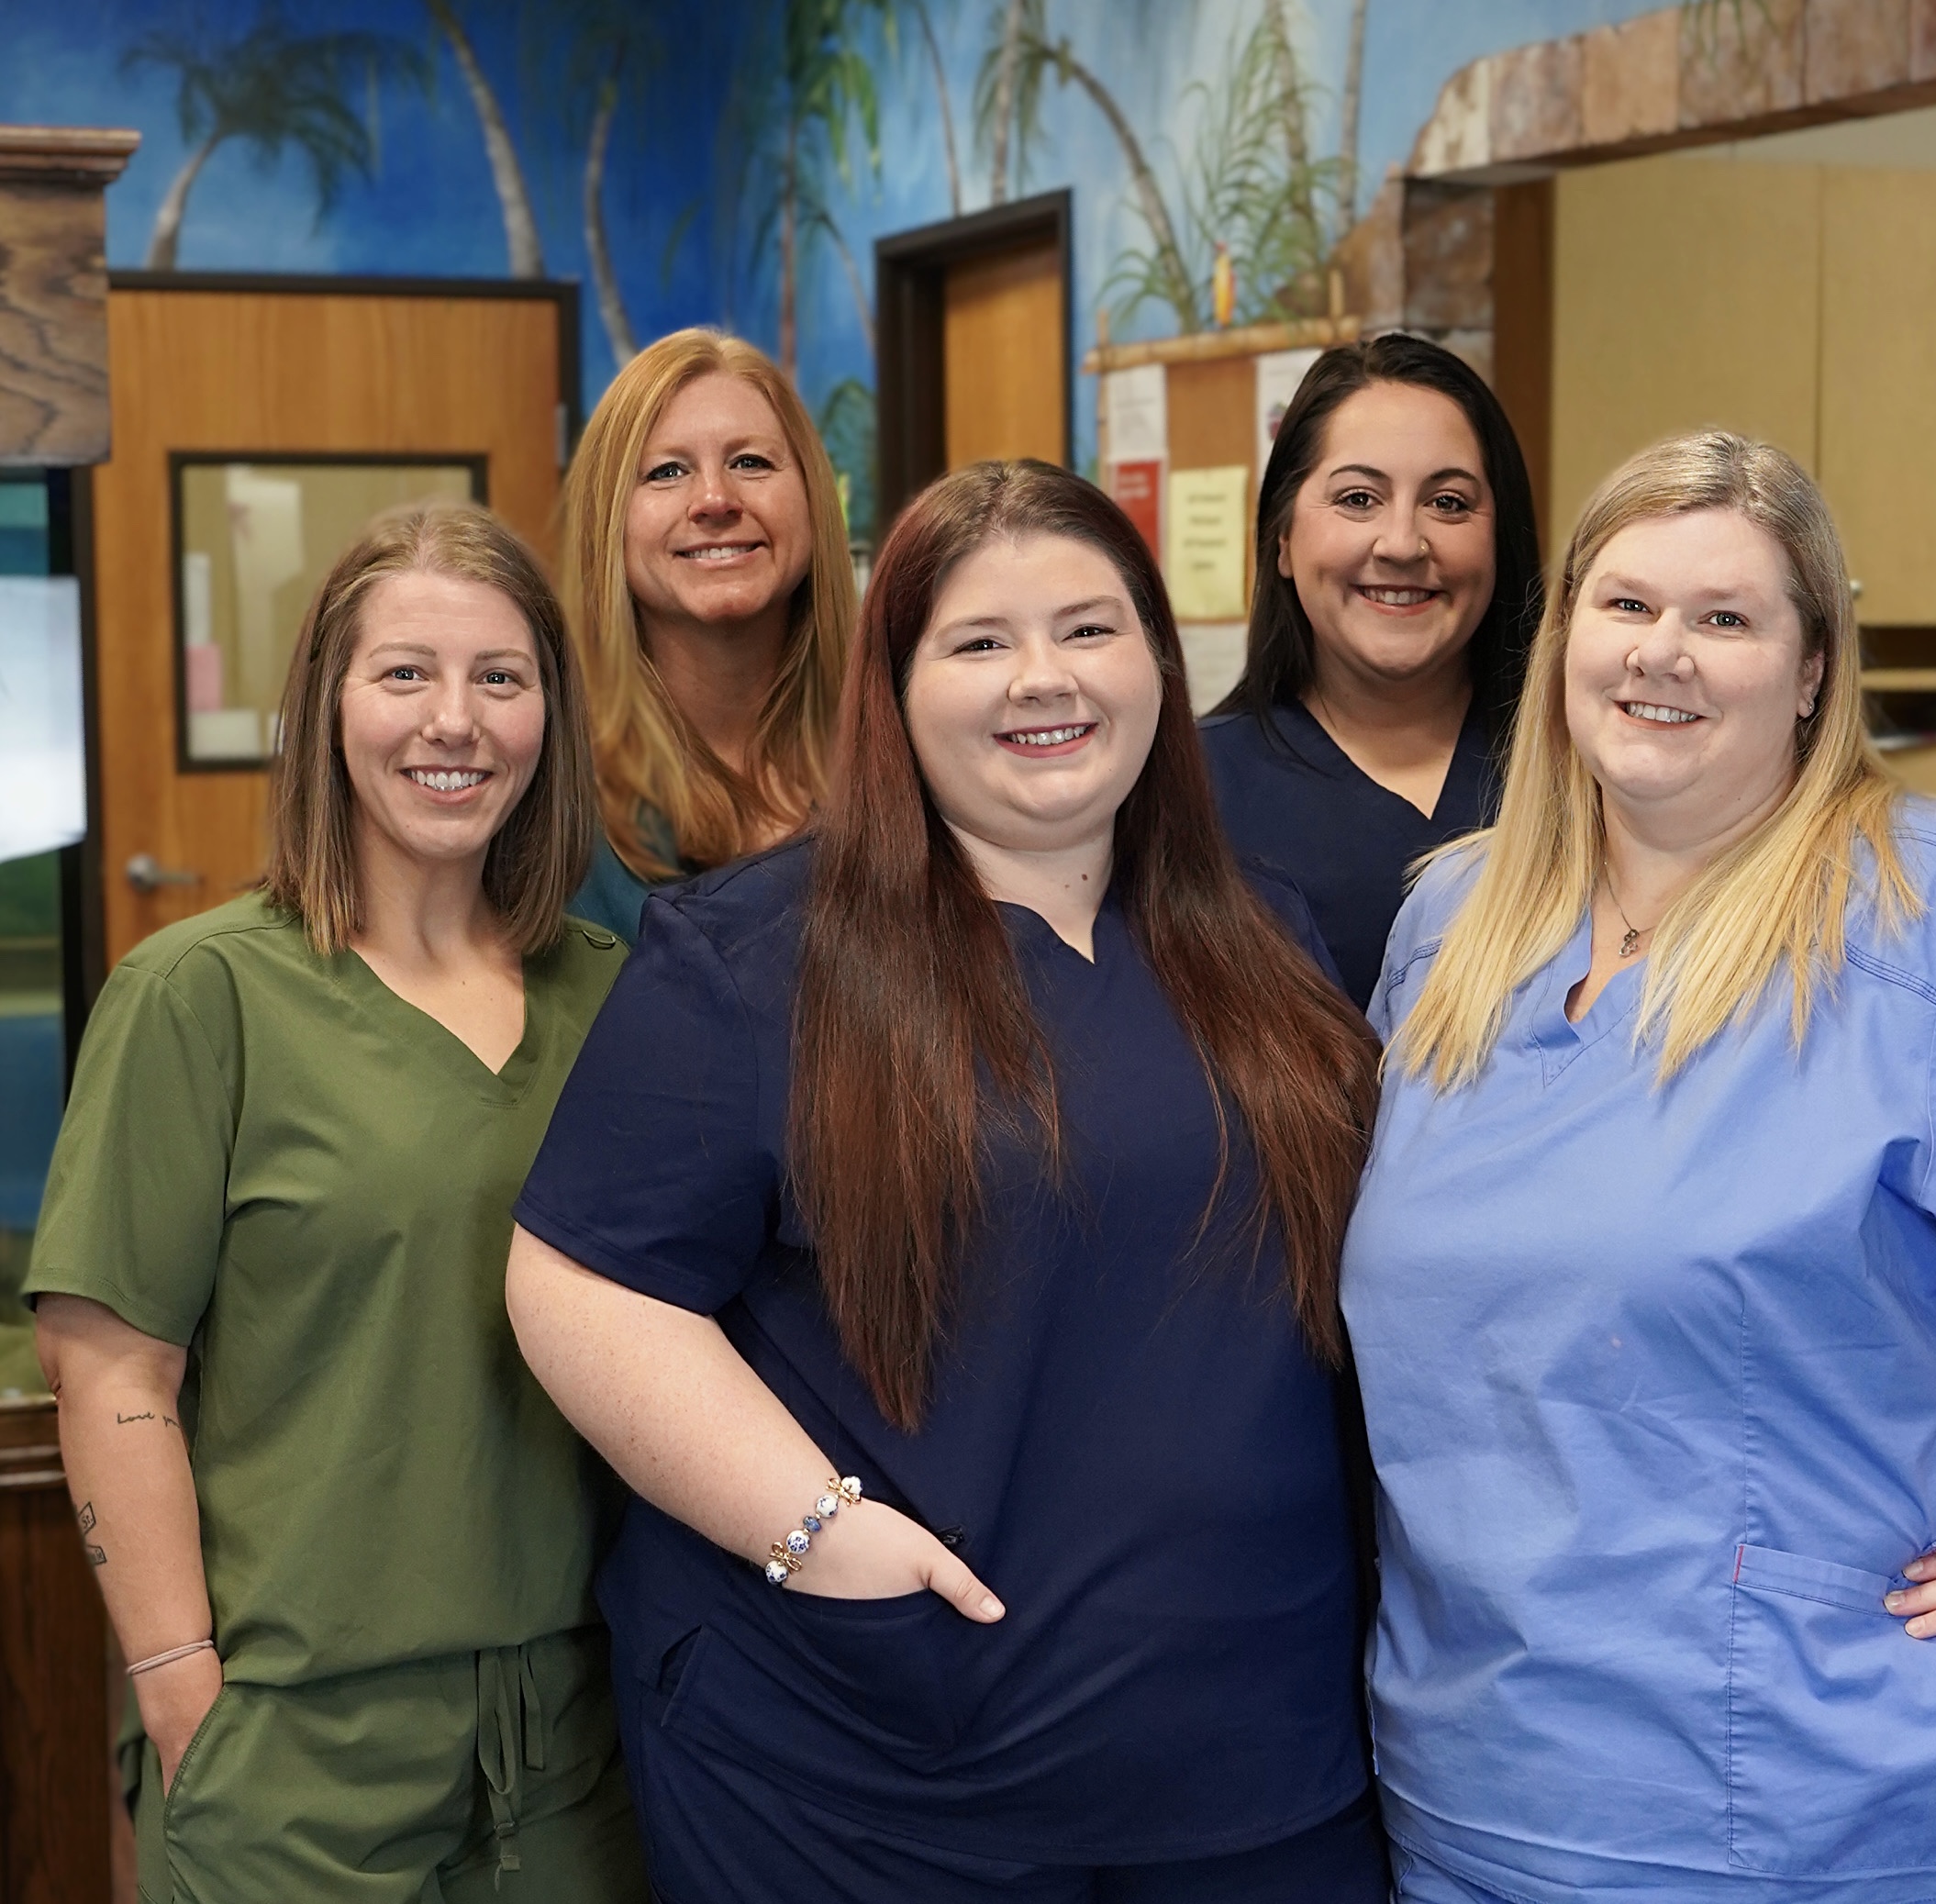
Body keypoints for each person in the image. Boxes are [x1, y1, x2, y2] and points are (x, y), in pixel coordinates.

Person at [1343, 430, 1936, 1904]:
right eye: (1625, 604)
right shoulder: (1457, 925)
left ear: (1811, 670)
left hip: (1879, 1800)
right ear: (1562, 639)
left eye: (1726, 617)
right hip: (1494, 1785)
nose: (1662, 651)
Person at [503, 460, 1391, 1900]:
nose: (1046, 677)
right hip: (879, 1771)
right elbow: (582, 1281)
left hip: (1258, 1756)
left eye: (1091, 627)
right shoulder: (755, 959)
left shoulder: (1268, 943)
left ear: (1162, 663)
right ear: (895, 691)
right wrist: (815, 1530)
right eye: (980, 641)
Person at [28, 502, 641, 1900]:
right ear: (326, 703)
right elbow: (109, 1367)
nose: (455, 720)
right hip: (291, 1748)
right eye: (405, 672)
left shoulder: (614, 996)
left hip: (571, 1748)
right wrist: (184, 1694)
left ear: (549, 711)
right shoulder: (200, 994)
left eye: (500, 676)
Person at [1201, 334, 1542, 1005]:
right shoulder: (1186, 791)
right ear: (1282, 539)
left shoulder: (1583, 769)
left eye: (1448, 502)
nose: (1402, 544)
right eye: (1358, 498)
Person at [560, 328, 854, 941]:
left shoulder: (906, 751)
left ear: (812, 498)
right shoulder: (550, 793)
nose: (715, 499)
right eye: (667, 471)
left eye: (751, 462)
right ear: (607, 523)